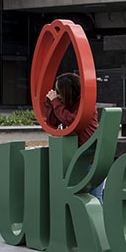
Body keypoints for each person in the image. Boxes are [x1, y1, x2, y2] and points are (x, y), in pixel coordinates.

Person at [44, 73, 103, 202]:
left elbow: (71, 121)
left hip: (90, 158)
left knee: (93, 197)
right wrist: (50, 102)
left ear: (67, 92)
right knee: (79, 198)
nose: (56, 95)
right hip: (78, 157)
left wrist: (55, 102)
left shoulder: (85, 104)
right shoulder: (69, 104)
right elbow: (53, 122)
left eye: (58, 92)